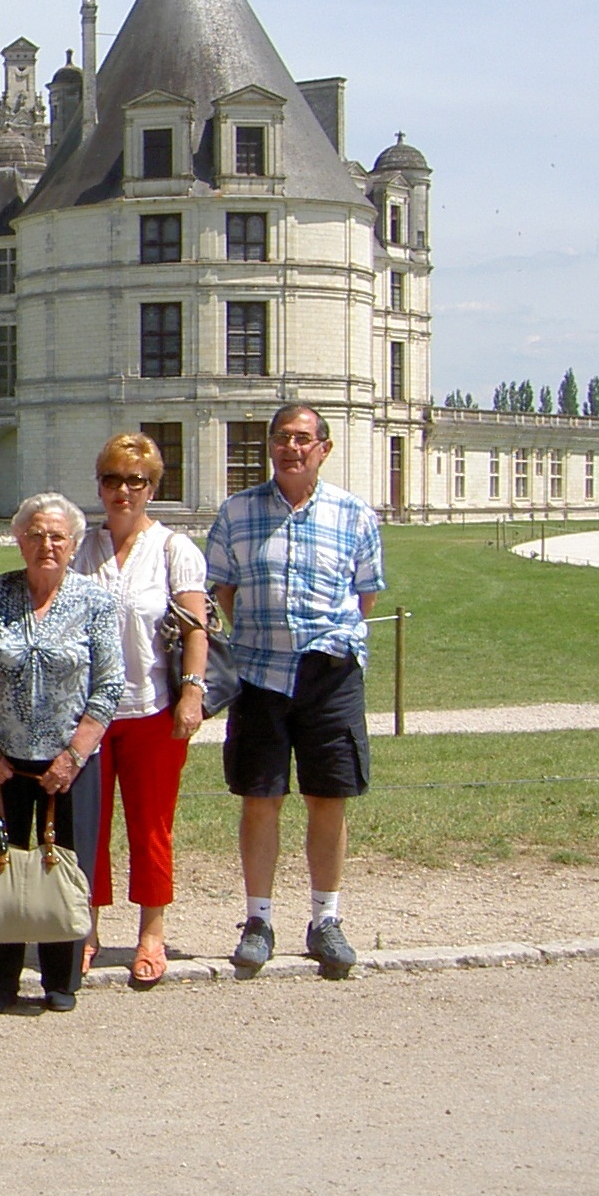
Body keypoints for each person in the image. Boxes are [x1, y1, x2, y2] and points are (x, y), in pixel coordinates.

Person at [207, 404, 385, 981]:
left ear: (324, 449)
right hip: (260, 675)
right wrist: (264, 638)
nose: (292, 448)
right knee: (261, 798)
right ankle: (258, 921)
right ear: (270, 448)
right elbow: (223, 591)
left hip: (328, 676)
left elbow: (365, 597)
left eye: (303, 439)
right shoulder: (237, 513)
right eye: (282, 438)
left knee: (328, 797)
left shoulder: (354, 515)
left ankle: (325, 920)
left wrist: (325, 642)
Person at [0, 492, 126, 1015]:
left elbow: (109, 684)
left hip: (71, 764)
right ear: (19, 540)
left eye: (57, 536)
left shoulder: (94, 601)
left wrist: (73, 756)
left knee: (67, 867)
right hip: (1, 761)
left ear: (74, 545)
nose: (45, 544)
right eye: (35, 534)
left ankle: (62, 976)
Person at [70, 432, 209, 984]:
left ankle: (152, 931)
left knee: (152, 825)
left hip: (153, 708)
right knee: (89, 826)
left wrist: (192, 696)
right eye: (112, 480)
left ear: (153, 487)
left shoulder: (175, 549)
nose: (123, 491)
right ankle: (88, 928)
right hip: (90, 715)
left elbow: (196, 630)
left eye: (136, 481)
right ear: (99, 486)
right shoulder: (83, 547)